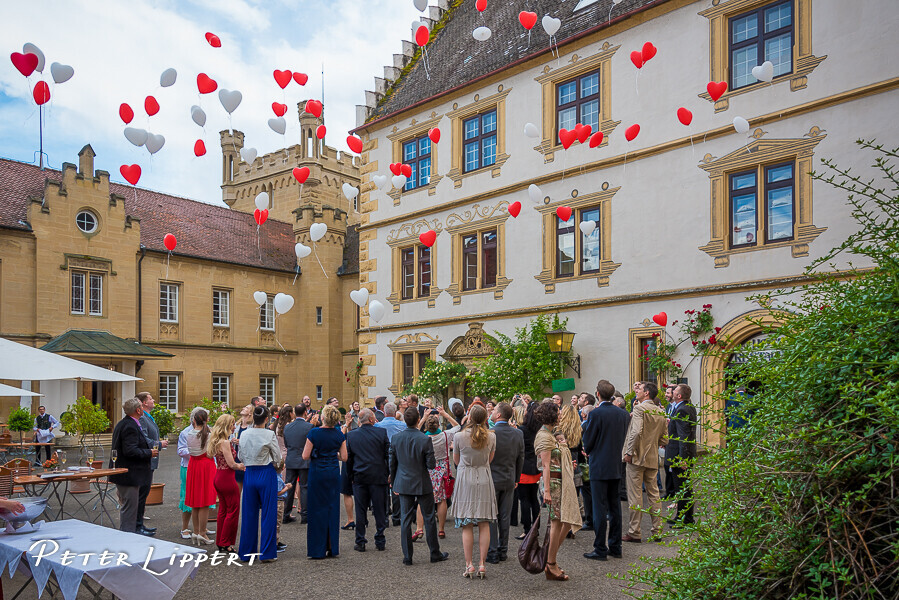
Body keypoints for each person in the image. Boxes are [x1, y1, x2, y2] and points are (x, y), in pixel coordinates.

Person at [389, 407, 449, 566]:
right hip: (422, 481)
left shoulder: (396, 438)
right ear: (418, 421)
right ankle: (434, 553)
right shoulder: (424, 439)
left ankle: (407, 556)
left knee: (405, 519)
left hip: (403, 481)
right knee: (429, 518)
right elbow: (431, 465)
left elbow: (392, 464)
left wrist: (394, 482)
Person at [582, 379, 630, 561]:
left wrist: (588, 449)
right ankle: (616, 546)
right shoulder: (623, 414)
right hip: (615, 464)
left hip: (599, 464)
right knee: (615, 506)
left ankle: (600, 548)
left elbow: (589, 440)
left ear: (598, 394)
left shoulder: (596, 414)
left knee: (599, 507)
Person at [534, 401, 580, 581]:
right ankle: (551, 563)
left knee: (566, 521)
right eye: (558, 412)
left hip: (561, 481)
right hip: (552, 484)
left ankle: (551, 559)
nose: (560, 415)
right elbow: (545, 466)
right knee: (557, 522)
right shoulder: (544, 436)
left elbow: (555, 458)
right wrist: (546, 491)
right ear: (551, 415)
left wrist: (567, 463)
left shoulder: (553, 433)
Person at [449, 404, 496, 578]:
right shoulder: (491, 436)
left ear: (469, 417)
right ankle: (482, 564)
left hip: (465, 478)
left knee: (466, 525)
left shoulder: (459, 436)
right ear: (485, 419)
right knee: (484, 524)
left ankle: (469, 565)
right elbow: (490, 459)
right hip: (483, 476)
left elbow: (456, 460)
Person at [622, 382, 668, 542]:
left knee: (635, 495)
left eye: (639, 389)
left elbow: (636, 432)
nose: (636, 391)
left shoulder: (640, 408)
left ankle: (634, 532)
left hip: (637, 456)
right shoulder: (660, 411)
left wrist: (629, 451)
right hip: (652, 457)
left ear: (646, 393)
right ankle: (658, 530)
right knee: (654, 494)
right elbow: (665, 439)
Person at [238, 405, 282, 563]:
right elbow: (277, 457)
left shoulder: (244, 434)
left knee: (249, 514)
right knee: (268, 513)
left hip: (249, 473)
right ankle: (267, 553)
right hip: (265, 472)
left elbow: (240, 455)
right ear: (266, 419)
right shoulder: (269, 434)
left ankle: (246, 551)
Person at [108, 397, 158, 535]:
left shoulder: (127, 423)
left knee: (133, 504)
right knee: (130, 507)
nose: (143, 409)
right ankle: (129, 534)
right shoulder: (129, 425)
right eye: (141, 407)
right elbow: (130, 450)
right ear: (138, 410)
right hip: (129, 474)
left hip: (131, 473)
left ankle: (137, 528)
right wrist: (149, 452)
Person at [303, 405, 346, 559]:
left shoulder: (314, 433)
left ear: (323, 417)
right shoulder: (339, 434)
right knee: (332, 508)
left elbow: (305, 455)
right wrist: (333, 455)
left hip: (318, 472)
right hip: (333, 472)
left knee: (317, 509)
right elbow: (345, 457)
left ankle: (317, 548)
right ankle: (331, 546)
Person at [346, 408, 390, 552]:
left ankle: (360, 540)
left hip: (360, 476)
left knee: (361, 509)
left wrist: (350, 476)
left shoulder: (352, 436)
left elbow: (349, 460)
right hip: (378, 476)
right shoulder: (381, 433)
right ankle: (380, 539)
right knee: (379, 509)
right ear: (371, 419)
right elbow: (387, 455)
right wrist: (389, 472)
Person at [486, 402, 524, 565]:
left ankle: (493, 551)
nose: (493, 412)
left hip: (492, 478)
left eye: (494, 410)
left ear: (499, 415)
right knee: (505, 515)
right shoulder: (518, 434)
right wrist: (516, 478)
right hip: (509, 478)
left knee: (492, 516)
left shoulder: (490, 433)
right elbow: (520, 458)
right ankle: (503, 550)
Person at [207, 413, 244, 552]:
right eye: (233, 424)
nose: (234, 426)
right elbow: (232, 464)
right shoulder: (225, 442)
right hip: (228, 477)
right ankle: (226, 542)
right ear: (227, 426)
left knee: (223, 510)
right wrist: (241, 466)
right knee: (233, 510)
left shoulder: (216, 441)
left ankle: (221, 540)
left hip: (219, 476)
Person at [136, 392, 168, 536]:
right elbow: (144, 439)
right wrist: (159, 444)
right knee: (141, 493)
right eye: (150, 398)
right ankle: (138, 525)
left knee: (144, 492)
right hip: (146, 459)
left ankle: (140, 523)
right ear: (143, 403)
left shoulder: (148, 417)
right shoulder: (142, 418)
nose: (153, 400)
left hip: (151, 459)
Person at [415, 412, 451, 540]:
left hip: (426, 470)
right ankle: (441, 530)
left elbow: (413, 429)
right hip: (441, 470)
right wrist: (445, 414)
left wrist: (423, 418)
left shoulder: (422, 438)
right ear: (438, 425)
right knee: (441, 500)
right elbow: (459, 427)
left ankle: (419, 528)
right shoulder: (445, 436)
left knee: (421, 499)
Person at [667, 384, 698, 526]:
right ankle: (684, 517)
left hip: (681, 455)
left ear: (679, 396)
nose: (672, 392)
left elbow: (683, 436)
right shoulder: (689, 407)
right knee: (684, 488)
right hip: (684, 453)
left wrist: (683, 459)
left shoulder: (682, 410)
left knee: (682, 488)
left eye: (675, 391)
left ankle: (684, 519)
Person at [185, 407, 216, 545]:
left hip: (193, 466)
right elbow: (211, 454)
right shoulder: (208, 435)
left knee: (195, 501)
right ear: (206, 420)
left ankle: (196, 531)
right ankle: (202, 532)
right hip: (205, 466)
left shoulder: (189, 434)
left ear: (194, 420)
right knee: (205, 501)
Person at [559, 404, 588, 536]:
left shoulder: (559, 431)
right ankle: (571, 527)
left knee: (563, 498)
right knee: (574, 497)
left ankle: (563, 526)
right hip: (576, 466)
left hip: (564, 465)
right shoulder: (578, 430)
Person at [375, 402, 406, 526]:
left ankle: (386, 514)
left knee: (384, 486)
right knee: (396, 486)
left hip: (382, 457)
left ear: (384, 412)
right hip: (398, 457)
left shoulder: (378, 426)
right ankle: (397, 516)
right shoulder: (402, 425)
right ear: (395, 412)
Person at [515, 401, 542, 540]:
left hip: (524, 468)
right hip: (536, 467)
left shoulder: (522, 429)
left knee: (524, 500)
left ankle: (527, 529)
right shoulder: (540, 429)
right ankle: (535, 528)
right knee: (534, 499)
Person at [283, 403, 313, 523]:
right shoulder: (309, 426)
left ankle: (286, 514)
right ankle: (305, 516)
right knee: (304, 487)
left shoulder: (287, 427)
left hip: (291, 459)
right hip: (304, 460)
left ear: (295, 413)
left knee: (289, 487)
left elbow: (286, 444)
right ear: (305, 412)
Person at [176, 409, 202, 540]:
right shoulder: (185, 432)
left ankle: (200, 528)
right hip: (188, 466)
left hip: (202, 467)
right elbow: (180, 451)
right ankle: (184, 527)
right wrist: (195, 451)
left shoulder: (206, 430)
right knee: (187, 496)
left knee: (202, 497)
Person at [232, 404, 253, 492]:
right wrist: (232, 440)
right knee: (237, 487)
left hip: (247, 459)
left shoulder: (252, 426)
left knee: (248, 488)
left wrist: (241, 442)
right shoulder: (236, 425)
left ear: (250, 413)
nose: (243, 408)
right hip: (236, 457)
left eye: (247, 408)